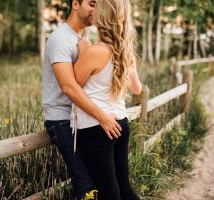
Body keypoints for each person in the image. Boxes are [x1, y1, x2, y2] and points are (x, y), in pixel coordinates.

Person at [42, 0, 123, 199]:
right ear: (76, 4)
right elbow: (69, 86)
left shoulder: (82, 37)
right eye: (92, 4)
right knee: (85, 185)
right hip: (62, 119)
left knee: (97, 183)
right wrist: (102, 117)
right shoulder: (60, 39)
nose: (96, 10)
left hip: (80, 118)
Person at [71, 0, 142, 199]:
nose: (92, 11)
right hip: (120, 122)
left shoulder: (95, 51)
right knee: (124, 189)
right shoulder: (125, 50)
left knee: (109, 194)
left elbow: (72, 85)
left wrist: (83, 51)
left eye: (97, 7)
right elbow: (136, 88)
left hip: (97, 128)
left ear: (103, 15)